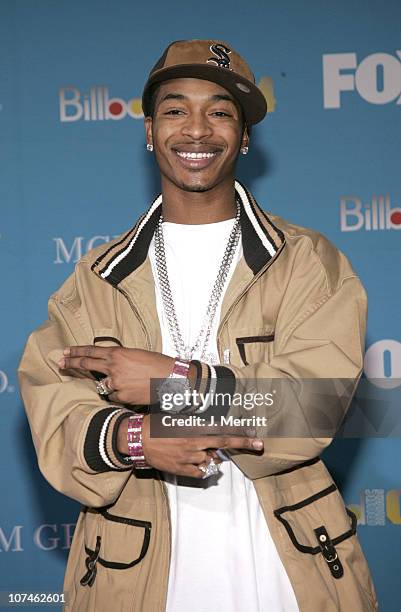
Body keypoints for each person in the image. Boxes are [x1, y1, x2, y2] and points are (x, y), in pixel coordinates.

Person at [19, 39, 378, 611]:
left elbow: (316, 406)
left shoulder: (307, 261)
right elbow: (54, 410)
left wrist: (179, 384)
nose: (197, 130)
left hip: (286, 575)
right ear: (148, 131)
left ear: (245, 135)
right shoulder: (96, 278)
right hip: (132, 577)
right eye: (175, 109)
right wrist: (136, 438)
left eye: (219, 111)